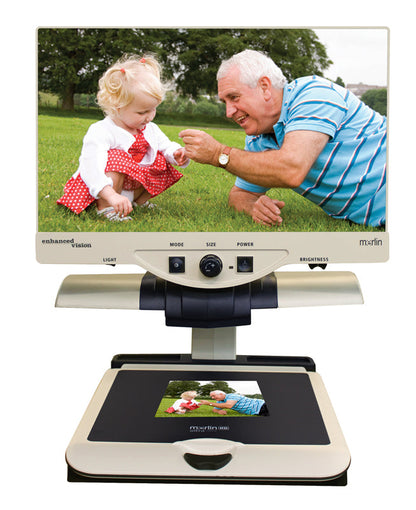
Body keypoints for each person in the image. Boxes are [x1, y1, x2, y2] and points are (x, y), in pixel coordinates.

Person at [179, 49, 386, 228]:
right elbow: (240, 195)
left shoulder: (313, 94)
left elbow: (292, 168)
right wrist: (254, 207)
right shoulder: (258, 139)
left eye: (234, 97)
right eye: (225, 101)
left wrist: (218, 154)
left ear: (265, 87)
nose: (229, 112)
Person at [57, 54, 189, 221]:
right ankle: (106, 207)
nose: (149, 117)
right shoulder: (102, 130)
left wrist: (175, 153)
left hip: (131, 185)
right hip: (103, 189)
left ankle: (137, 201)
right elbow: (91, 167)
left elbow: (164, 144)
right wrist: (110, 195)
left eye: (153, 109)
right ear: (117, 107)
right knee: (117, 157)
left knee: (160, 159)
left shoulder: (149, 128)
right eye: (142, 112)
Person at [199, 390, 269, 416]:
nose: (212, 398)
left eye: (213, 396)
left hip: (263, 406)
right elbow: (214, 409)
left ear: (221, 394)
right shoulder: (220, 402)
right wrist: (218, 411)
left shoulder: (231, 396)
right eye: (211, 397)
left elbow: (229, 405)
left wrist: (208, 403)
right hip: (258, 412)